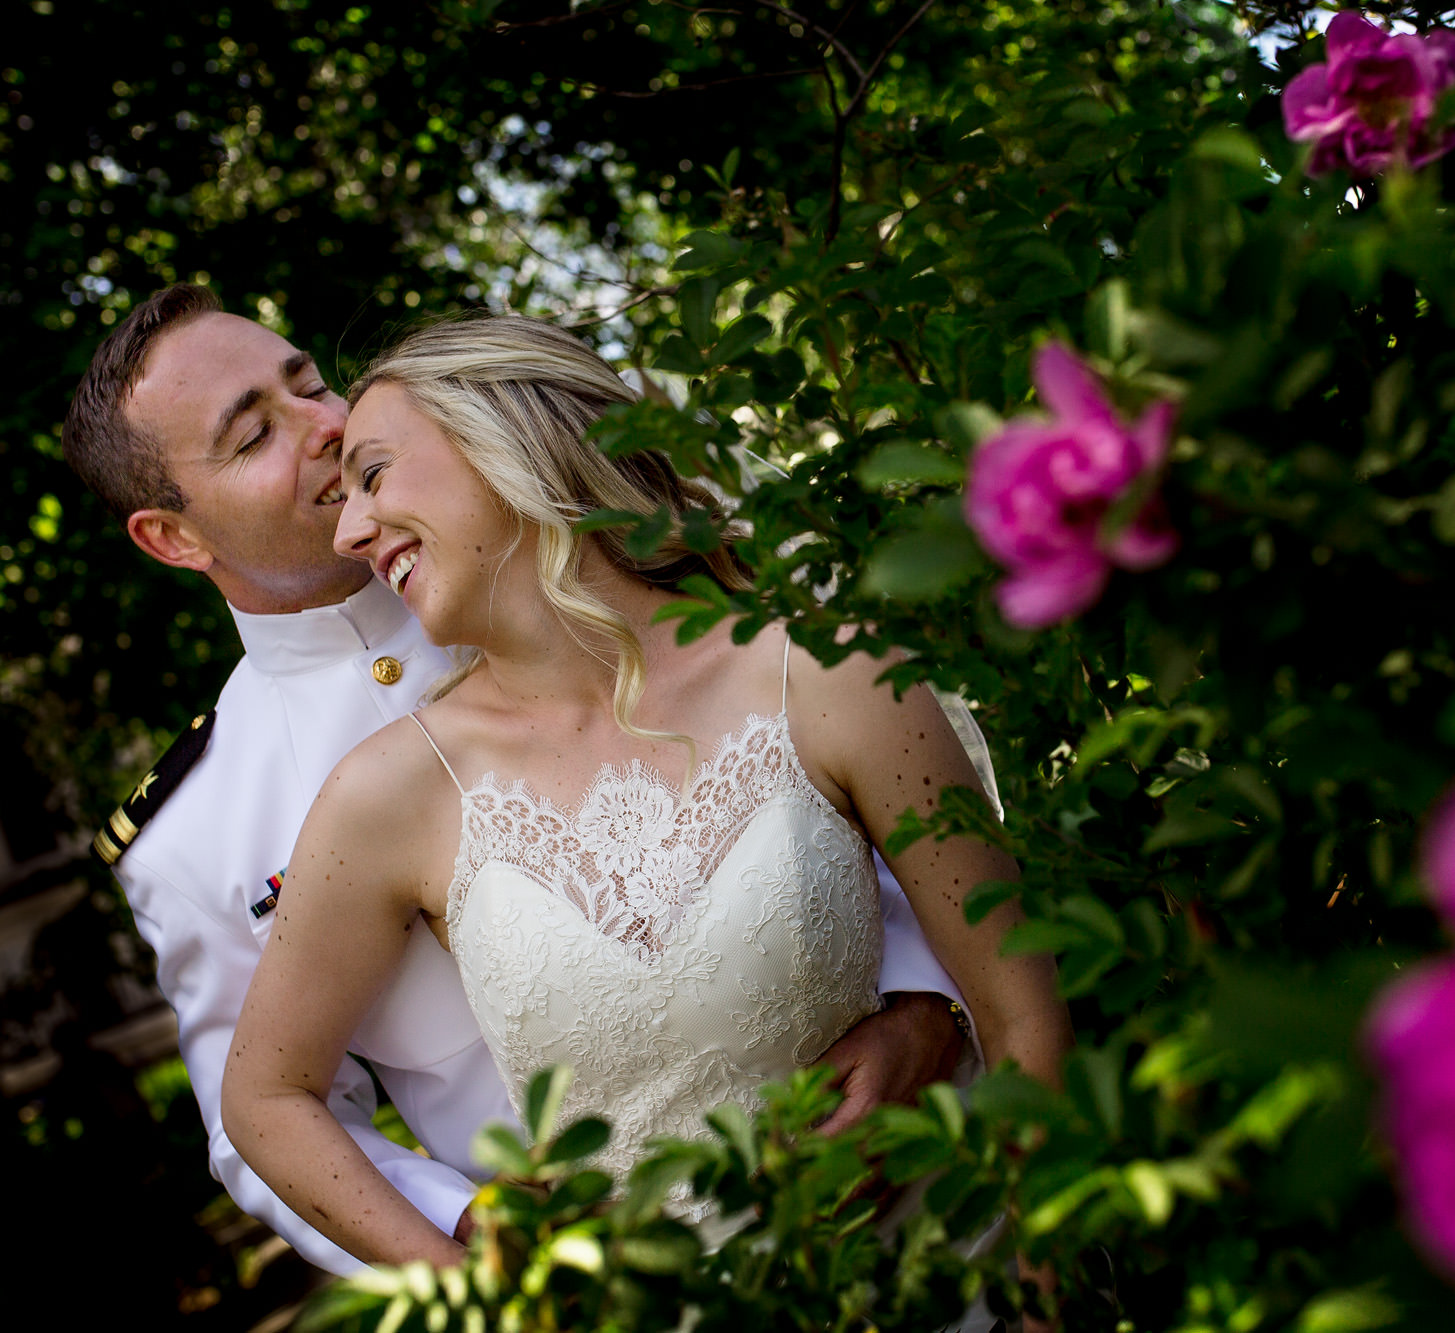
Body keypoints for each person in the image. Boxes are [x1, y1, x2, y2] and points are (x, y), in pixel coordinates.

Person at [62, 285, 975, 1275]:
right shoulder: (195, 830)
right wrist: (466, 1231)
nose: (326, 427)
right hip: (612, 1268)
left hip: (897, 1167)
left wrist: (923, 1007)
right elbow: (266, 1116)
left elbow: (835, 791)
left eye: (310, 383)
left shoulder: (592, 566)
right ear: (175, 537)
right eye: (254, 438)